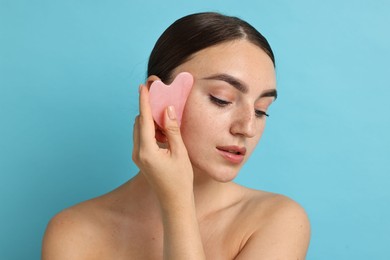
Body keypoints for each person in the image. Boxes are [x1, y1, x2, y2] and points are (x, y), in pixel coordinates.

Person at [42, 12, 310, 259]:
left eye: (262, 110)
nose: (247, 128)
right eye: (222, 99)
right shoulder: (73, 231)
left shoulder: (277, 220)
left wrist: (178, 204)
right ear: (158, 98)